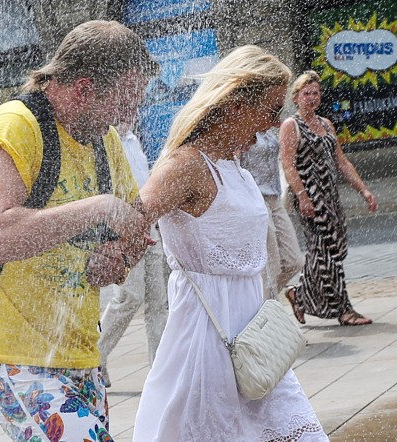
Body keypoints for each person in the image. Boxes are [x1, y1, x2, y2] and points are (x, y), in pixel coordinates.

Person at [0, 20, 158, 441]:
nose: (127, 118)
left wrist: (120, 259)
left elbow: (134, 226)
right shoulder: (16, 124)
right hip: (17, 359)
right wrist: (97, 207)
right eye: (123, 105)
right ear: (84, 89)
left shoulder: (103, 140)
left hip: (81, 355)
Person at [133, 46, 328, 441]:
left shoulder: (231, 163)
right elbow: (132, 219)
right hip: (207, 340)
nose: (275, 124)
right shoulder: (186, 164)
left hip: (256, 340)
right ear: (237, 104)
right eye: (271, 110)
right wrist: (117, 249)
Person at [279, 70, 378, 326]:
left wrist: (363, 189)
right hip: (311, 197)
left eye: (316, 93)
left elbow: (341, 161)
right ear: (296, 97)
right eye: (306, 93)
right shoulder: (291, 125)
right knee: (324, 252)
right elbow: (288, 165)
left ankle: (298, 295)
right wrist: (302, 196)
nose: (312, 98)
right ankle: (343, 310)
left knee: (331, 250)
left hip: (330, 196)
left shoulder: (325, 124)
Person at [98, 124, 169, 387]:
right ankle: (96, 356)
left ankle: (160, 369)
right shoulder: (106, 138)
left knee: (158, 302)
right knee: (129, 297)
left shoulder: (133, 139)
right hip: (123, 227)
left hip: (148, 223)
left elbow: (143, 184)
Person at [241, 128, 304, 297]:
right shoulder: (243, 128)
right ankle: (267, 309)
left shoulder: (267, 128)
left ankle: (261, 300)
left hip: (275, 198)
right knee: (271, 266)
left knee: (294, 262)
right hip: (256, 199)